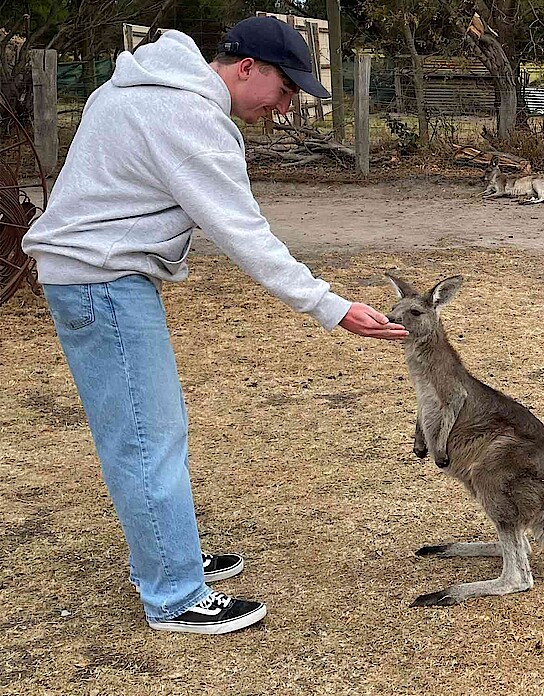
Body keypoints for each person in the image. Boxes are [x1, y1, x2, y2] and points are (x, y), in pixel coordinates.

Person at [21, 16, 407, 635]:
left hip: (94, 276)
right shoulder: (192, 121)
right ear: (246, 68)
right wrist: (332, 308)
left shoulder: (136, 88)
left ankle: (166, 552)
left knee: (149, 428)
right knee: (148, 437)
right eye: (284, 91)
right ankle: (173, 593)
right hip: (103, 279)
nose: (284, 108)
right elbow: (244, 236)